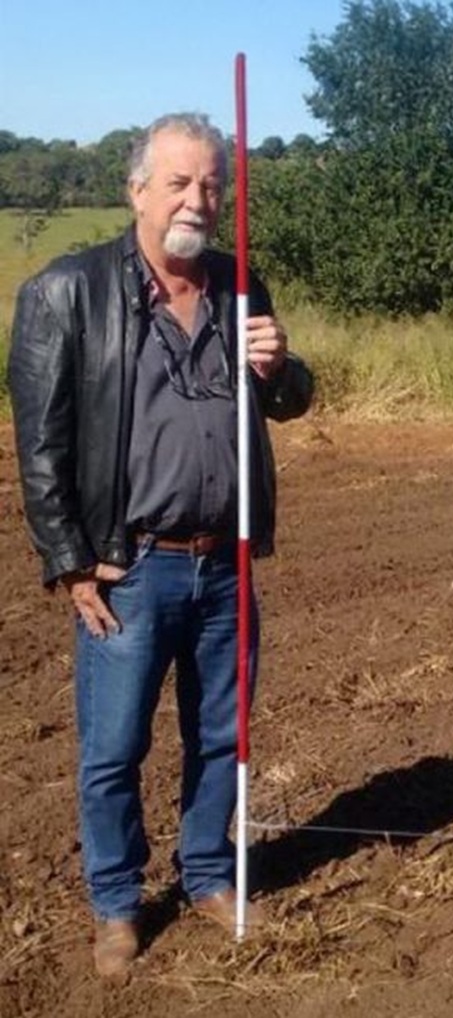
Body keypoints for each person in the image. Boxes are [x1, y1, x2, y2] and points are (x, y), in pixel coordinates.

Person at [7, 113, 315, 978]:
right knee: (113, 749)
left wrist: (279, 367)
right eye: (180, 182)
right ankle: (116, 903)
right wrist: (70, 561)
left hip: (225, 562)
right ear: (136, 189)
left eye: (213, 184)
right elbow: (39, 444)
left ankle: (210, 874)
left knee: (222, 734)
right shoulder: (66, 292)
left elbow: (290, 401)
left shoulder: (238, 282)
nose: (199, 200)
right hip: (130, 568)